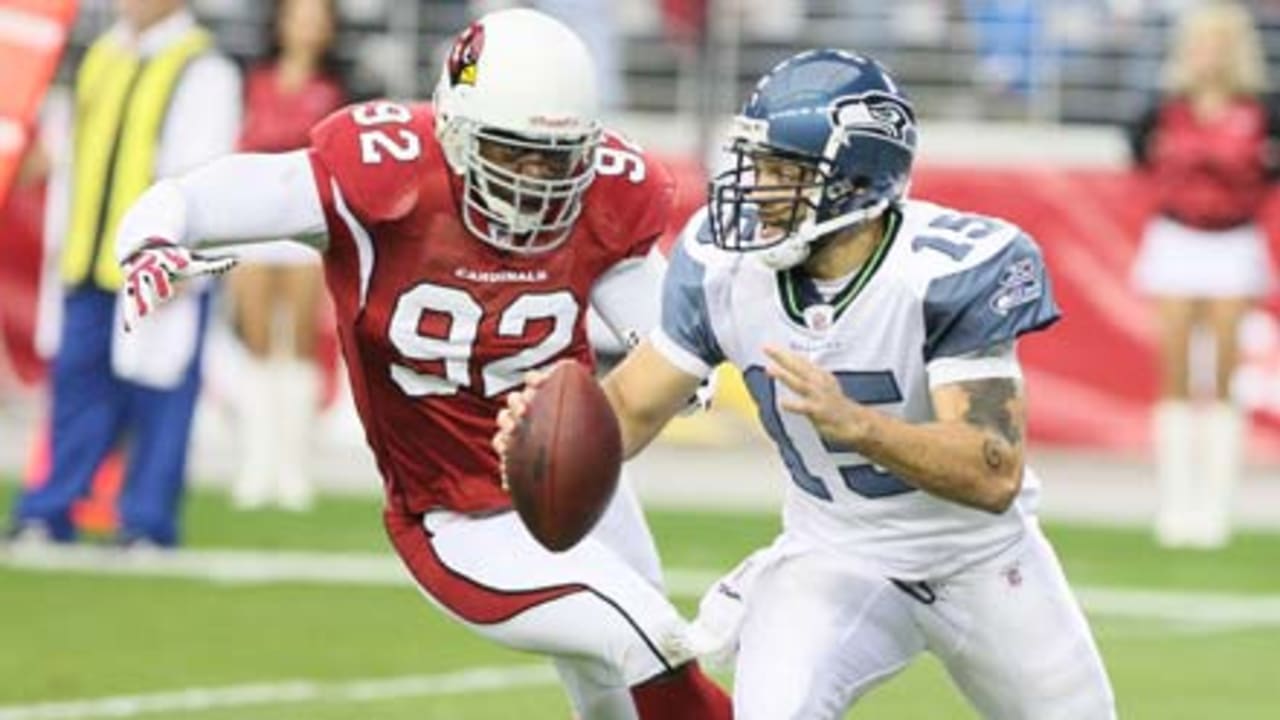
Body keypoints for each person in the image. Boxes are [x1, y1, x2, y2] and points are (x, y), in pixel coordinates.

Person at [113, 9, 731, 719]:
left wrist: (684, 368)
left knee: (610, 685)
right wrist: (154, 235)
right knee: (646, 633)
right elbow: (211, 194)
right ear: (456, 130)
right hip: (457, 515)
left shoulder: (607, 193)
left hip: (577, 480)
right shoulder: (384, 177)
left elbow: (654, 317)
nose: (537, 179)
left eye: (556, 158)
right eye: (512, 152)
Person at [499, 49, 1117, 719]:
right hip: (834, 555)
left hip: (981, 560)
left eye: (784, 172)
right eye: (757, 166)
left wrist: (860, 426)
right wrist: (543, 442)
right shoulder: (722, 265)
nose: (758, 190)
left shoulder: (947, 271)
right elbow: (631, 408)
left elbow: (992, 471)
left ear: (859, 181)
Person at [7, 0, 241, 548]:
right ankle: (51, 508)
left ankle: (145, 519)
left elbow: (204, 169)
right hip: (88, 253)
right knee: (76, 386)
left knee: (160, 390)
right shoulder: (101, 56)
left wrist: (182, 255)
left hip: (158, 262)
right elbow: (67, 152)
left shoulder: (204, 67)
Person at [1129, 0, 1276, 549]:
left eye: (1218, 43)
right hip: (1176, 239)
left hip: (1233, 242)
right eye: (1200, 43)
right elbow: (1138, 155)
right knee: (1173, 371)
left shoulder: (1261, 108)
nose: (1207, 54)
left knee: (1222, 374)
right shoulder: (1164, 106)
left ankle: (1216, 507)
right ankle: (1175, 503)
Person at [229, 0, 346, 511]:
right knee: (254, 341)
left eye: (318, 18)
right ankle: (256, 463)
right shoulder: (249, 79)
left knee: (299, 344)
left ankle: (294, 467)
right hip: (251, 222)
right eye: (299, 15)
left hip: (305, 227)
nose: (308, 26)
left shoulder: (340, 87)